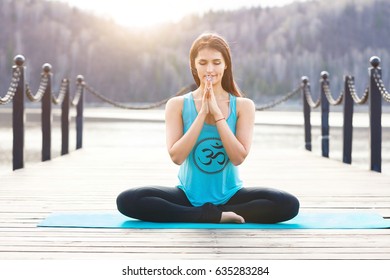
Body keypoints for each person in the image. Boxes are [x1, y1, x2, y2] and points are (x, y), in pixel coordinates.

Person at [116, 32, 299, 224]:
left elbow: (238, 158)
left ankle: (212, 213)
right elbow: (177, 157)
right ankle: (212, 215)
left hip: (230, 196)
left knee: (287, 204)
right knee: (128, 200)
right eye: (203, 63)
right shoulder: (177, 105)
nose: (209, 69)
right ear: (193, 65)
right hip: (186, 196)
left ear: (226, 64)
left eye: (216, 62)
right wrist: (202, 113)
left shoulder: (243, 106)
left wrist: (218, 116)